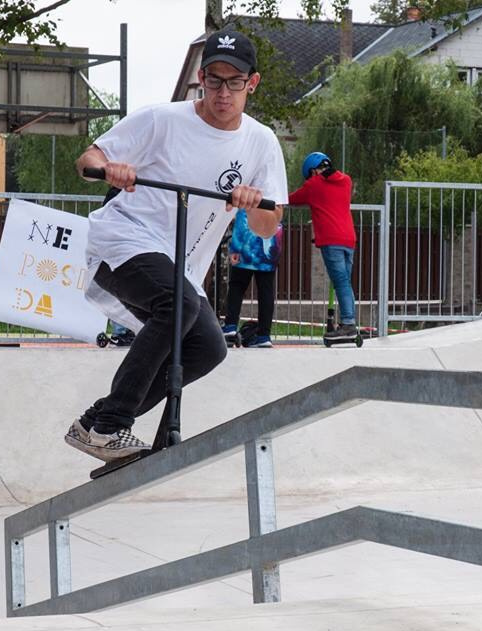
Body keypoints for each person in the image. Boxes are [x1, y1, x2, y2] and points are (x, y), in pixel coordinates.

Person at [65, 30, 287, 461]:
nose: (223, 93)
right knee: (179, 304)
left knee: (208, 347)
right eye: (214, 81)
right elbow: (87, 158)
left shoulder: (261, 142)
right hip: (122, 241)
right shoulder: (161, 120)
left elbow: (267, 226)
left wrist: (251, 204)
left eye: (235, 83)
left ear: (252, 84)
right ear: (201, 78)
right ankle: (111, 427)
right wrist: (109, 169)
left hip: (180, 266)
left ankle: (95, 423)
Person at [288, 152, 358, 339]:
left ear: (313, 171)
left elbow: (292, 199)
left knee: (341, 282)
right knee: (345, 282)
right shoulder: (346, 181)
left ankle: (349, 325)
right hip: (349, 239)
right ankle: (348, 322)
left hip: (331, 239)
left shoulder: (313, 185)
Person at [222, 208, 282, 347]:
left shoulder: (250, 196)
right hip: (270, 242)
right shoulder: (277, 196)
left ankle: (230, 326)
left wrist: (235, 248)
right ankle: (264, 336)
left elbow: (242, 219)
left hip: (247, 244)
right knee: (266, 290)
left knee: (237, 285)